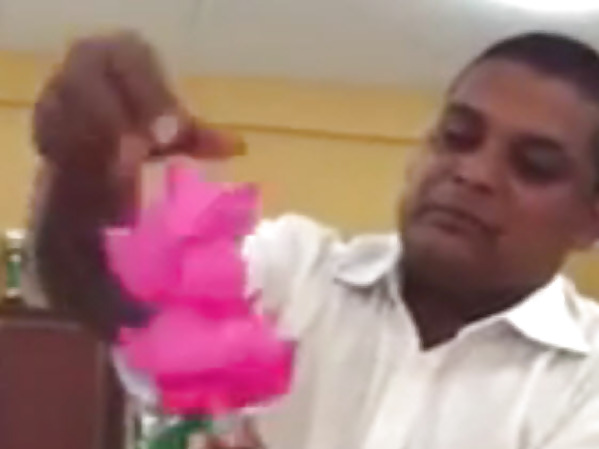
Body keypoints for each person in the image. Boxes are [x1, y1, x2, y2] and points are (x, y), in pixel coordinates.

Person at [32, 30, 599, 449]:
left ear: (590, 220)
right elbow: (112, 299)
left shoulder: (585, 385)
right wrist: (82, 174)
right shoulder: (295, 271)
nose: (472, 172)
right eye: (457, 136)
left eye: (534, 166)